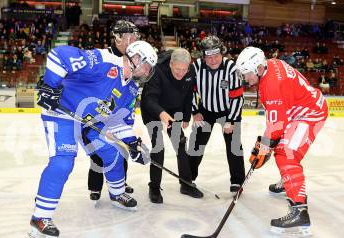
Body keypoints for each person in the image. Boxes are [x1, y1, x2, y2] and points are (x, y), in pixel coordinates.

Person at [29, 40, 157, 238]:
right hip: (62, 114)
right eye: (146, 66)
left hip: (89, 123)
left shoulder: (131, 89)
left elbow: (118, 121)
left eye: (149, 69)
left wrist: (132, 143)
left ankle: (117, 194)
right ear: (134, 58)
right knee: (63, 162)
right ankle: (40, 218)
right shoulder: (104, 62)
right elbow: (60, 55)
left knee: (113, 153)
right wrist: (50, 85)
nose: (146, 71)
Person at [235, 46, 328, 236]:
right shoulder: (271, 64)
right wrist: (266, 144)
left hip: (309, 114)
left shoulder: (272, 85)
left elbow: (276, 126)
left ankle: (299, 211)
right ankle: (288, 181)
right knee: (283, 147)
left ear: (259, 69)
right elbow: (276, 119)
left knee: (286, 154)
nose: (245, 79)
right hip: (297, 110)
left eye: (247, 74)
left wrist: (263, 149)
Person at [85, 20, 141, 202]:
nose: (132, 41)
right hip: (97, 117)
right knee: (98, 154)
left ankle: (120, 184)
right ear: (117, 38)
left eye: (134, 37)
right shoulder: (102, 56)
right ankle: (95, 187)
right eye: (128, 37)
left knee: (122, 151)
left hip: (118, 117)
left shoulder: (133, 58)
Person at [141, 48, 203, 203]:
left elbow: (189, 94)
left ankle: (186, 184)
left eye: (184, 69)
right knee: (158, 147)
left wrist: (187, 116)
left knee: (181, 144)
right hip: (153, 109)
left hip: (173, 109)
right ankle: (154, 187)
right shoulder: (156, 71)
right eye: (177, 69)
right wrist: (161, 114)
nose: (181, 73)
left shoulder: (189, 72)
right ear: (170, 64)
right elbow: (149, 100)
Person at [188, 35, 245, 193]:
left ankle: (237, 181)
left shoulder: (232, 68)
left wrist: (232, 120)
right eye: (209, 57)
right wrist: (196, 111)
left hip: (228, 111)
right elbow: (190, 91)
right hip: (205, 111)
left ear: (222, 54)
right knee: (196, 144)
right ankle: (188, 178)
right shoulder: (196, 67)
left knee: (234, 146)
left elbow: (237, 97)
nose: (213, 60)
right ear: (203, 56)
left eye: (216, 56)